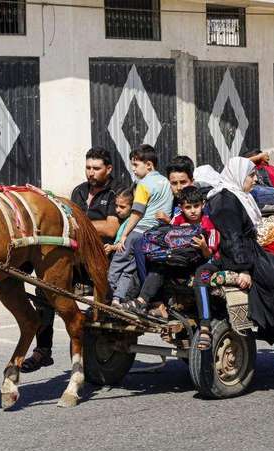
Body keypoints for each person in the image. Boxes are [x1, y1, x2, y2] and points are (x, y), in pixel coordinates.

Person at [193, 157, 274, 362]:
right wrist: (243, 269)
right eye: (251, 175)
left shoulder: (237, 195)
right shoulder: (225, 200)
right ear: (239, 176)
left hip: (251, 251)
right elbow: (232, 238)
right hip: (240, 256)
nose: (255, 179)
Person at [21, 147, 120, 373]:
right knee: (43, 290)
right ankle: (43, 350)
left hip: (104, 258)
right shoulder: (79, 191)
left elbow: (111, 227)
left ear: (108, 169)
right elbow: (68, 221)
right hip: (75, 255)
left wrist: (81, 227)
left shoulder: (117, 192)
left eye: (96, 168)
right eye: (88, 168)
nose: (91, 173)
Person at [122, 186, 220, 313]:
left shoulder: (208, 224)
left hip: (197, 264)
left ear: (203, 204)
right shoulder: (178, 219)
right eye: (188, 207)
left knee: (161, 266)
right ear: (181, 207)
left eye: (196, 206)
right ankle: (138, 301)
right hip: (176, 260)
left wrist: (203, 246)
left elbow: (208, 256)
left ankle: (143, 302)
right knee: (157, 265)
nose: (193, 211)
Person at [108, 144, 173, 305]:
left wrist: (124, 235)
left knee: (116, 266)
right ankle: (118, 298)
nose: (134, 170)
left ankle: (110, 295)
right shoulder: (165, 182)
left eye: (136, 165)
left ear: (149, 165)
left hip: (139, 231)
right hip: (158, 233)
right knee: (130, 269)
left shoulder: (143, 185)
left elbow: (137, 213)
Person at [104, 188, 134, 256]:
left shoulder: (130, 223)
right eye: (116, 206)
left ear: (132, 206)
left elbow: (124, 244)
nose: (117, 210)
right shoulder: (124, 220)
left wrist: (112, 247)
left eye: (122, 207)